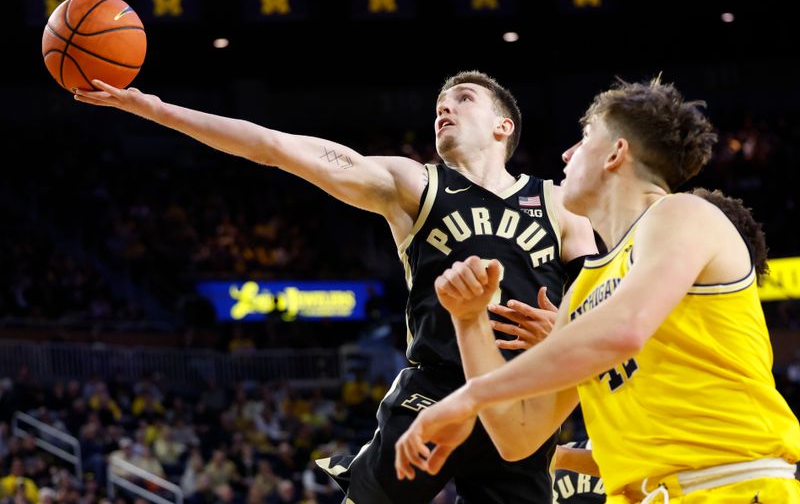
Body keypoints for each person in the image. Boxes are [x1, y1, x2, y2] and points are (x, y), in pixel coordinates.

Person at [74, 70, 596, 503]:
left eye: (462, 98)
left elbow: (602, 304)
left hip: (522, 399)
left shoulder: (561, 203)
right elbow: (275, 147)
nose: (444, 107)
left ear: (504, 125)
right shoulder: (412, 183)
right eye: (438, 101)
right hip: (434, 389)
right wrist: (158, 109)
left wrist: (565, 328)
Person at [394, 78, 800, 503]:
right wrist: (469, 319)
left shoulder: (681, 213)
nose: (566, 155)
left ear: (616, 153)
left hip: (729, 486)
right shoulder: (586, 286)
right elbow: (518, 436)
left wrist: (468, 397)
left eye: (584, 138)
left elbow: (623, 331)